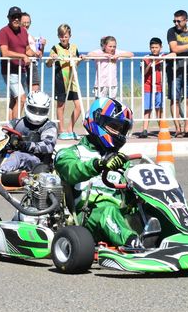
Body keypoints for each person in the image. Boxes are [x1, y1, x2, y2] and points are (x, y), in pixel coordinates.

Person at [55, 97, 141, 248]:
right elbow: (71, 170)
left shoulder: (122, 162)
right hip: (87, 217)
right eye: (114, 126)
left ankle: (177, 236)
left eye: (122, 129)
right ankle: (134, 244)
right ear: (97, 120)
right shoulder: (71, 153)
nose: (119, 133)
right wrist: (98, 165)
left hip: (119, 215)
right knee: (108, 211)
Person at [0, 91, 57, 173]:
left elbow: (48, 146)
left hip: (38, 162)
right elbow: (0, 133)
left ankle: (0, 173)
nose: (37, 113)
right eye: (34, 109)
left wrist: (27, 145)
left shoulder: (49, 126)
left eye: (41, 111)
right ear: (27, 106)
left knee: (18, 155)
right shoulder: (16, 122)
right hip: (13, 157)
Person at [0, 6, 37, 121]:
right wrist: (23, 56)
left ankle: (9, 125)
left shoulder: (23, 31)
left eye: (18, 17)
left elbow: (27, 50)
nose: (16, 19)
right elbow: (4, 52)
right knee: (21, 99)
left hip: (22, 70)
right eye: (13, 17)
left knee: (14, 99)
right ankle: (15, 127)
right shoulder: (3, 32)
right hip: (10, 71)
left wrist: (36, 53)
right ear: (8, 18)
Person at [46, 23, 83, 140]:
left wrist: (80, 59)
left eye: (66, 36)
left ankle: (70, 129)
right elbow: (48, 64)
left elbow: (76, 63)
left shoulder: (74, 47)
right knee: (61, 105)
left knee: (79, 106)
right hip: (60, 80)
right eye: (61, 36)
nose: (63, 38)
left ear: (70, 36)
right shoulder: (55, 48)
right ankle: (61, 131)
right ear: (58, 36)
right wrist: (52, 59)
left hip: (73, 80)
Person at [140, 37, 174, 138]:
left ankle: (161, 129)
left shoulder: (162, 56)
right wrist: (151, 64)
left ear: (160, 47)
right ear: (150, 48)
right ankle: (144, 130)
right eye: (152, 47)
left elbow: (173, 54)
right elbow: (143, 72)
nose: (154, 49)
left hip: (160, 87)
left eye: (156, 47)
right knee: (147, 109)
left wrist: (160, 59)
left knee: (159, 108)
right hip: (148, 87)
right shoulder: (146, 58)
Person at [21, 12, 44, 93]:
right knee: (20, 93)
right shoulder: (19, 35)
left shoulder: (30, 36)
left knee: (35, 92)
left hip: (33, 65)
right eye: (24, 22)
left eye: (28, 22)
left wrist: (42, 46)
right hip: (24, 64)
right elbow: (25, 50)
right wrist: (35, 54)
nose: (26, 25)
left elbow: (39, 54)